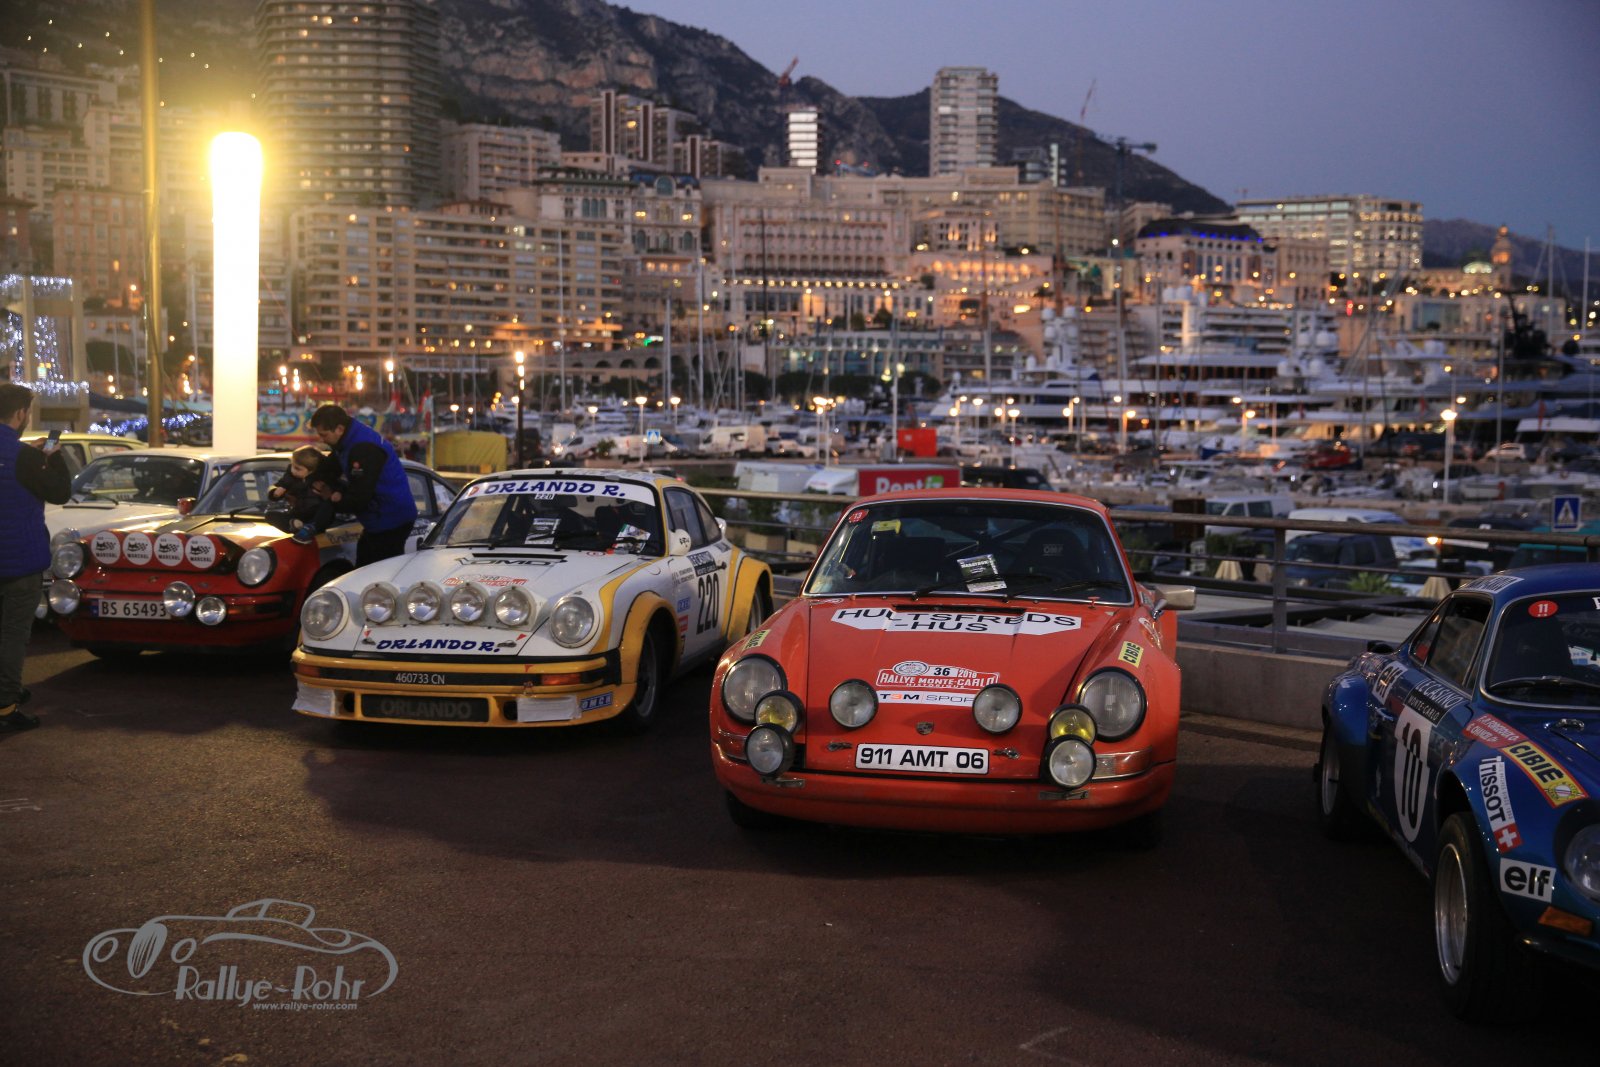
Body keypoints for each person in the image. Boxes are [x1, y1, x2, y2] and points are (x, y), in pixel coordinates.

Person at [1, 384, 72, 732]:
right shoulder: (26, 458)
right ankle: (5, 707)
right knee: (12, 636)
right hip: (19, 563)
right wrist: (52, 456)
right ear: (20, 414)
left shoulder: (21, 456)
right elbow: (60, 492)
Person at [308, 404, 417, 565]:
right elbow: (330, 467)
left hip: (390, 518)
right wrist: (313, 478)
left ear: (339, 429)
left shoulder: (363, 448)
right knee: (364, 567)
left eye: (324, 435)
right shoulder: (347, 440)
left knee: (380, 572)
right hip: (380, 518)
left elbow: (360, 497)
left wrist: (334, 499)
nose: (321, 440)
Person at [269, 445, 342, 542]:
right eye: (292, 466)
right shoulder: (290, 476)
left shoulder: (322, 479)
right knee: (270, 515)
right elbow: (279, 485)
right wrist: (275, 492)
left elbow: (336, 491)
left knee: (325, 509)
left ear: (311, 471)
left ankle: (311, 527)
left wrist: (328, 493)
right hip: (299, 512)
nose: (293, 471)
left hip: (315, 513)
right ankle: (295, 525)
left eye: (298, 469)